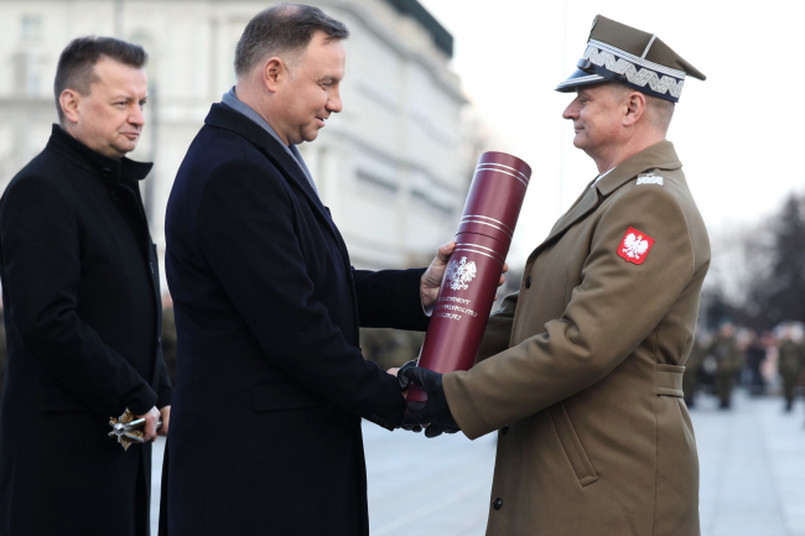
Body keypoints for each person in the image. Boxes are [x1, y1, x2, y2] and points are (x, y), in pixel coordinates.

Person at [402, 15, 709, 536]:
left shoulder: (650, 206)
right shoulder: (615, 196)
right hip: (583, 475)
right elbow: (529, 315)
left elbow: (581, 343)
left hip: (612, 486)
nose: (570, 109)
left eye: (585, 98)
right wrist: (432, 369)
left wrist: (457, 398)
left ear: (633, 107)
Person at [161, 4, 450, 535]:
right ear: (274, 73)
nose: (336, 104)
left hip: (272, 472)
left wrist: (420, 291)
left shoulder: (262, 157)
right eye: (327, 83)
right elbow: (295, 328)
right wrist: (399, 398)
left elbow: (315, 285)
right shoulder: (235, 171)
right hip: (255, 485)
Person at [0, 36, 172, 536]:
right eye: (122, 103)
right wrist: (134, 394)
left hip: (114, 442)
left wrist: (158, 389)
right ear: (71, 104)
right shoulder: (41, 189)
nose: (138, 116)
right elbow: (47, 321)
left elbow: (129, 312)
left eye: (142, 102)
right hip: (60, 461)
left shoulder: (115, 189)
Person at [708, 321, 744, 409]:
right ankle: (721, 400)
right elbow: (710, 350)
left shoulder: (734, 341)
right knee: (720, 384)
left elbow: (738, 355)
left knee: (729, 385)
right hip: (720, 367)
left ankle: (727, 400)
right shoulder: (718, 340)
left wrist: (736, 365)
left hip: (730, 368)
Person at [777, 323, 804, 412]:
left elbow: (801, 358)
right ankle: (788, 403)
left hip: (795, 369)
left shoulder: (797, 344)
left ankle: (792, 403)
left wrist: (801, 370)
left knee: (794, 387)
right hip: (786, 369)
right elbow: (780, 357)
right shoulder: (783, 344)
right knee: (786, 387)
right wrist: (780, 368)